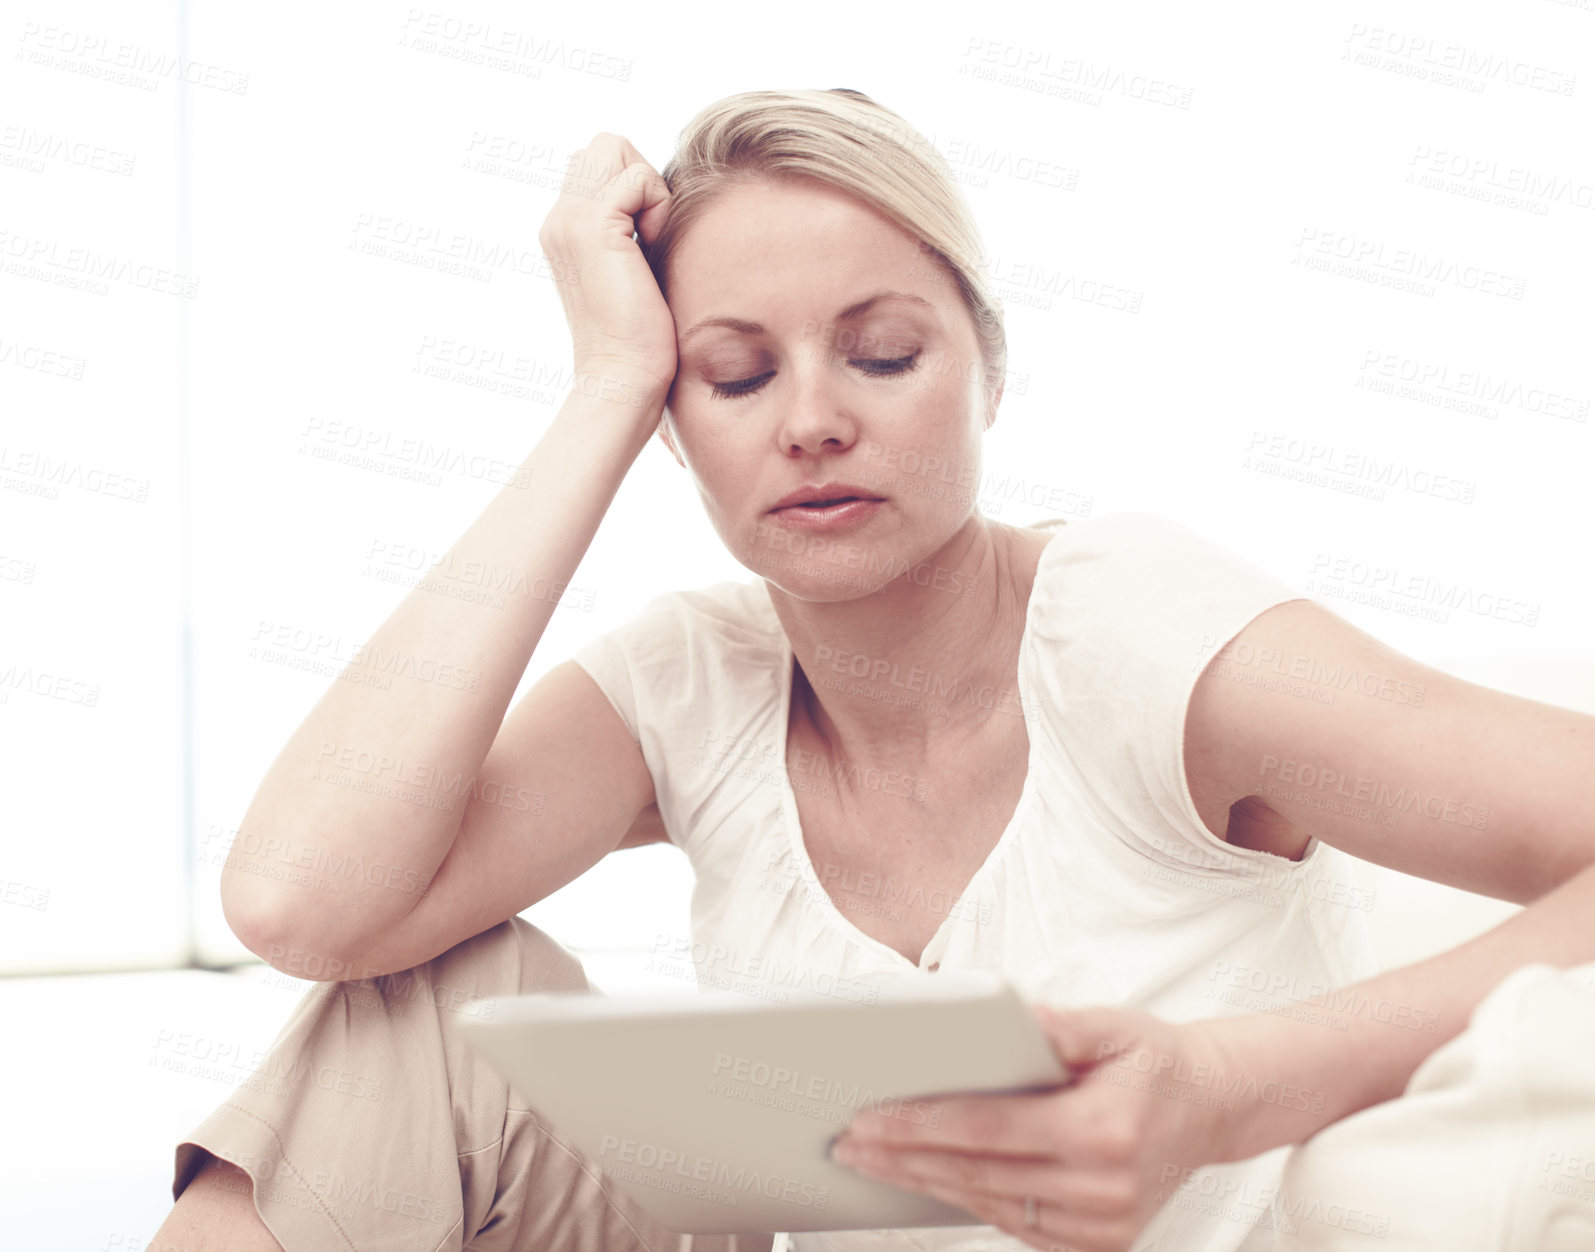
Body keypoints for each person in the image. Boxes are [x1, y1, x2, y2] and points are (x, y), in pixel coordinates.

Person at [150, 88, 1595, 1252]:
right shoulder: (692, 680)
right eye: (733, 377)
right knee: (433, 1006)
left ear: (987, 372)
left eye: (884, 354)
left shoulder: (1134, 636)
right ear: (676, 422)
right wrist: (602, 388)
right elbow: (303, 902)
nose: (814, 421)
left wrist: (1217, 1092)